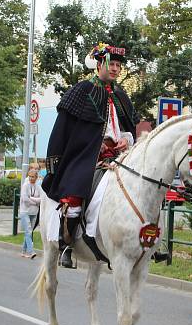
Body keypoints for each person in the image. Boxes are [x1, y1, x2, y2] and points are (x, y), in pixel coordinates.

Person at [42, 42, 138, 268]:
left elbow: (127, 127)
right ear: (99, 65)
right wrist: (97, 146)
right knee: (75, 192)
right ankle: (66, 242)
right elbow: (67, 131)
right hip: (87, 155)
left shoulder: (121, 95)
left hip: (119, 156)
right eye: (110, 64)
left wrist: (127, 139)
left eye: (118, 65)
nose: (115, 69)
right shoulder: (81, 91)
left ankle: (141, 244)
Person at [20, 168, 42, 258]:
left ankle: (23, 251)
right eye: (29, 176)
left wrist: (32, 199)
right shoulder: (25, 186)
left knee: (29, 231)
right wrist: (35, 202)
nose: (31, 178)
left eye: (33, 177)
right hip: (25, 211)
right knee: (28, 231)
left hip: (34, 212)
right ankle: (31, 251)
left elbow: (41, 199)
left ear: (36, 177)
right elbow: (25, 199)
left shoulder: (38, 187)